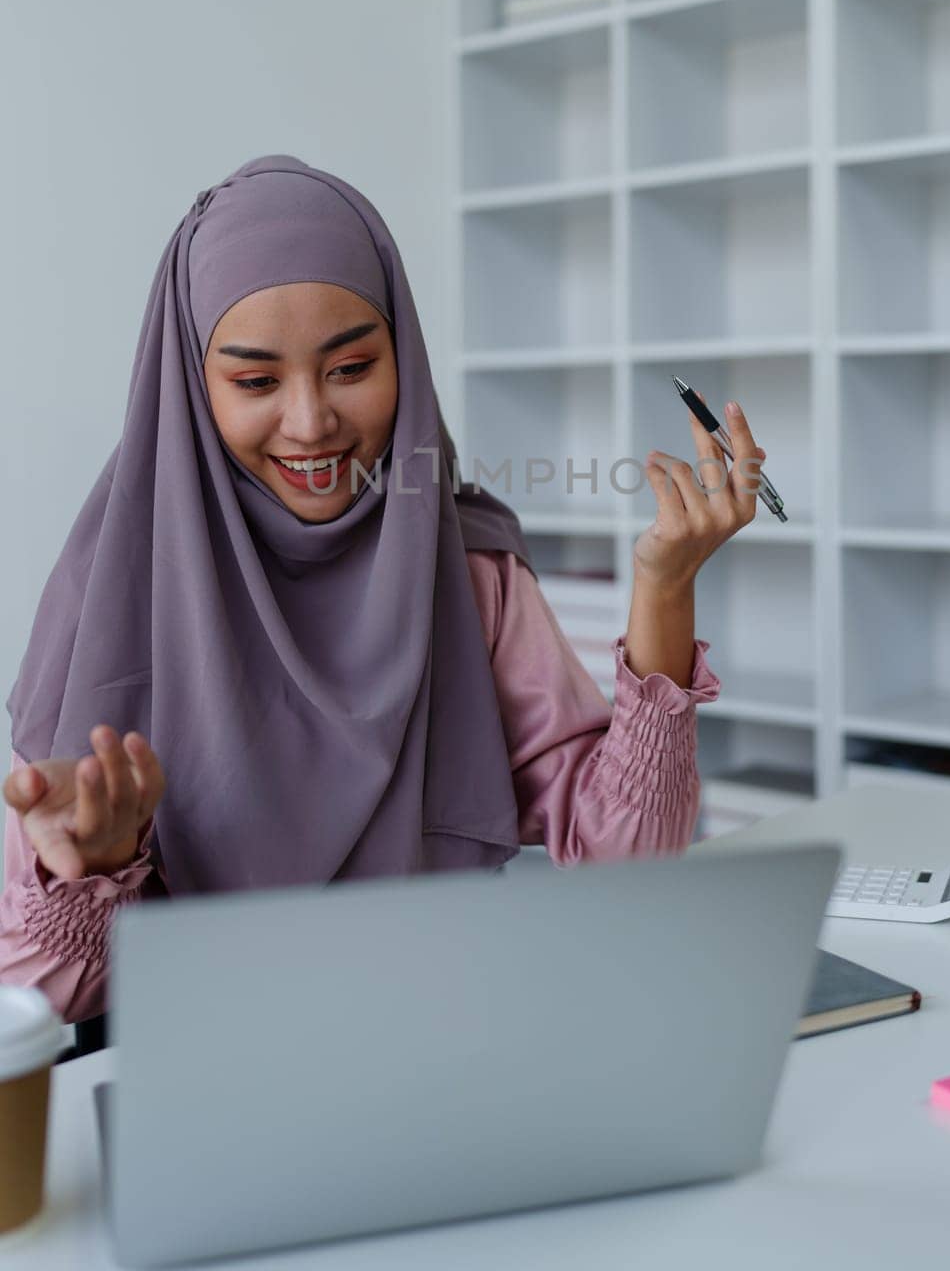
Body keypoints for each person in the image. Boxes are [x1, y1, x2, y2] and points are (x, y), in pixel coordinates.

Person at [0, 154, 767, 1027]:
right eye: (255, 381)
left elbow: (627, 868)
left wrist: (664, 589)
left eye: (352, 367)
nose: (311, 421)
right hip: (207, 1075)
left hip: (440, 1040)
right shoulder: (112, 601)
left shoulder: (466, 570)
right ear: (189, 386)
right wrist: (91, 868)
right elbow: (38, 1002)